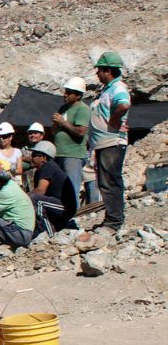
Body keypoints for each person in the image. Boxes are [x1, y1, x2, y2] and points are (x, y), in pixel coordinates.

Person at [90, 51, 132, 230]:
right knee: (105, 181)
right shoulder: (107, 90)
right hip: (104, 143)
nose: (97, 74)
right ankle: (112, 217)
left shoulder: (118, 88)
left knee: (109, 181)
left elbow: (124, 104)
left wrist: (115, 120)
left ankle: (114, 221)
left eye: (99, 70)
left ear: (108, 71)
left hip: (111, 142)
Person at [52, 77, 91, 203]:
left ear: (78, 95)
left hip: (73, 154)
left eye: (69, 93)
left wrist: (62, 122)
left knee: (71, 186)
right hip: (60, 154)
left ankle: (72, 214)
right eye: (66, 91)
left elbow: (80, 132)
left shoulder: (82, 109)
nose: (65, 95)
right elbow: (55, 131)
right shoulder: (63, 109)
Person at [27, 141, 73, 232]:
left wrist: (22, 196)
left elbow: (40, 191)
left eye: (34, 155)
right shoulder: (39, 171)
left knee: (35, 200)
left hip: (65, 207)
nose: (31, 158)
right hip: (54, 204)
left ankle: (47, 233)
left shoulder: (48, 166)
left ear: (43, 158)